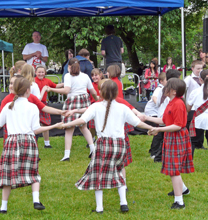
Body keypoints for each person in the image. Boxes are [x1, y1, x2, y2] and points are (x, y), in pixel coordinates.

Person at [61, 80, 152, 213]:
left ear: (101, 93)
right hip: (120, 144)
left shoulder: (95, 106)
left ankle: (99, 208)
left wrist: (65, 124)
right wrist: (152, 128)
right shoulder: (123, 107)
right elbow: (138, 123)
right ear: (116, 93)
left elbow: (82, 120)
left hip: (104, 144)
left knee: (98, 174)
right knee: (119, 170)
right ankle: (123, 203)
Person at [0, 77, 62, 213]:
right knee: (33, 173)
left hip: (11, 141)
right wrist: (54, 125)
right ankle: (36, 200)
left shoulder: (8, 106)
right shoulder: (33, 107)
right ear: (28, 90)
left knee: (8, 175)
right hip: (29, 141)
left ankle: (3, 207)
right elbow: (36, 129)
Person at [146, 78, 193, 209]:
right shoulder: (171, 102)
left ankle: (179, 201)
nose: (163, 89)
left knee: (174, 170)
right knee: (172, 167)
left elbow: (177, 126)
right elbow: (165, 120)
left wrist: (158, 129)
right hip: (171, 137)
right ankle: (182, 189)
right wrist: (146, 117)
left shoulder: (178, 104)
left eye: (166, 87)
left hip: (177, 137)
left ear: (173, 91)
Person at [47, 58, 98, 161]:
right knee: (84, 127)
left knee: (69, 130)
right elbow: (93, 91)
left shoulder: (68, 76)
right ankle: (93, 150)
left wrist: (51, 89)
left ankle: (67, 155)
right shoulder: (85, 76)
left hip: (73, 101)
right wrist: (97, 100)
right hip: (84, 100)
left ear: (69, 67)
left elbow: (66, 90)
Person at [151, 69, 181, 162]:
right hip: (165, 115)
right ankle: (157, 155)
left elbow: (159, 102)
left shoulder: (164, 89)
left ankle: (156, 153)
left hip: (163, 114)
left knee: (161, 135)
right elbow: (159, 101)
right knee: (161, 136)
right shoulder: (165, 90)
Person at [35, 65, 64, 148]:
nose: (41, 74)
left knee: (46, 123)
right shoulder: (33, 81)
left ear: (45, 73)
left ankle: (47, 143)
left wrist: (65, 83)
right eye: (39, 72)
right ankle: (34, 141)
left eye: (42, 72)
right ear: (35, 72)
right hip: (34, 104)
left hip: (44, 104)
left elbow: (55, 86)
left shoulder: (47, 81)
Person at [144, 72, 167, 159]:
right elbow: (155, 98)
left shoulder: (164, 88)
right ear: (161, 81)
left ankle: (155, 150)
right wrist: (160, 105)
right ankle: (154, 152)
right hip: (153, 112)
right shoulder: (159, 89)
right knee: (158, 132)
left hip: (157, 112)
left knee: (159, 132)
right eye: (166, 80)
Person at [184, 60, 206, 150]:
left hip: (202, 107)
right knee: (193, 125)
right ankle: (192, 142)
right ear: (192, 68)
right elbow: (184, 92)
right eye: (198, 68)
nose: (200, 70)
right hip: (191, 106)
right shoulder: (188, 79)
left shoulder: (204, 78)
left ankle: (199, 144)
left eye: (201, 68)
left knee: (201, 127)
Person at [187, 69, 208, 157]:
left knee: (193, 141)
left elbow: (188, 108)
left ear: (200, 79)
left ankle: (188, 161)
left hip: (198, 117)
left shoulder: (195, 92)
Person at [87, 68, 102, 141]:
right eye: (92, 75)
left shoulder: (103, 84)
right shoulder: (91, 85)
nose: (94, 77)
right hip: (93, 105)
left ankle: (101, 137)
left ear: (100, 75)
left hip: (102, 105)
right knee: (92, 124)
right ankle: (92, 138)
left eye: (96, 75)